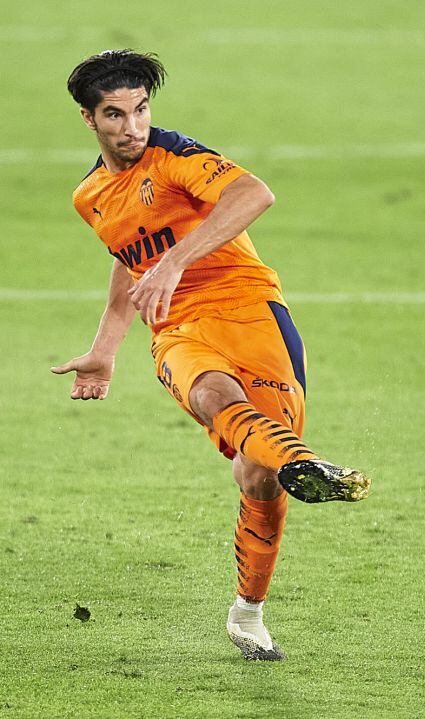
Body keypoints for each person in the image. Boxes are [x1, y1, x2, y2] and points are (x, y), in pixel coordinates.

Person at [53, 49, 371, 662]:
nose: (132, 127)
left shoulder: (174, 156)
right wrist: (104, 348)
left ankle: (248, 613)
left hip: (253, 310)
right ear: (89, 120)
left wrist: (173, 262)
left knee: (261, 476)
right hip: (178, 327)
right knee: (209, 396)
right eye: (115, 114)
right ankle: (313, 466)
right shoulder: (90, 196)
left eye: (141, 109)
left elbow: (255, 193)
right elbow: (128, 260)